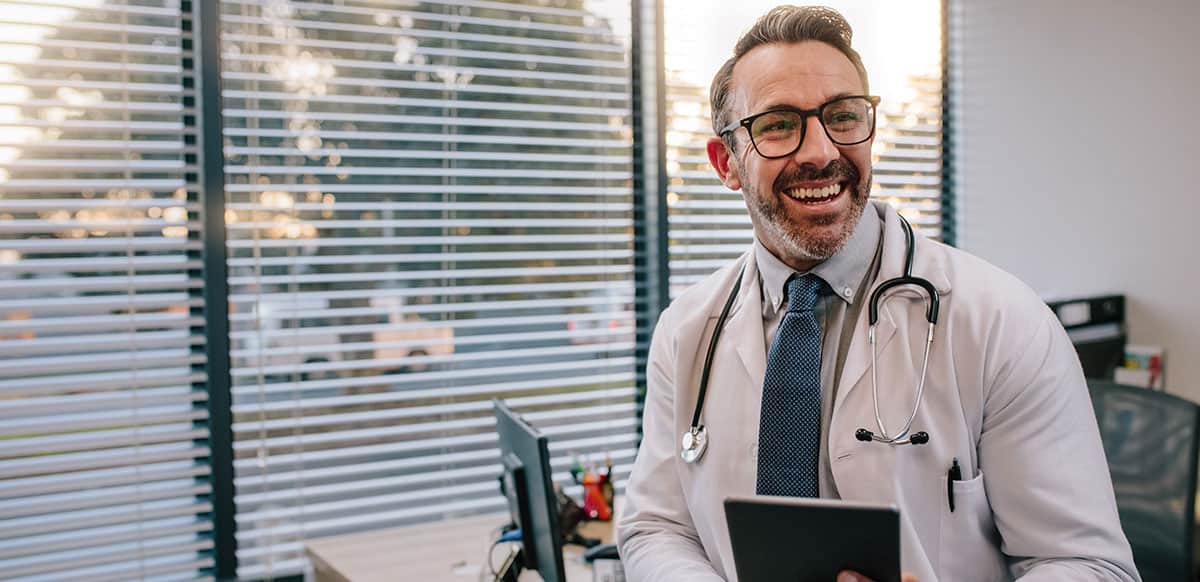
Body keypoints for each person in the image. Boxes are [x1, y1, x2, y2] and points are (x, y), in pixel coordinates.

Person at [615, 5, 1138, 582]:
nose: (820, 152)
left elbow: (1088, 565)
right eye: (779, 125)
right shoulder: (687, 331)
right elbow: (656, 526)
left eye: (842, 116)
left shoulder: (1001, 322)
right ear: (726, 162)